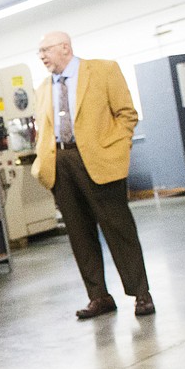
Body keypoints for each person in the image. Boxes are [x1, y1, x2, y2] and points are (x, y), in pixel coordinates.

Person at [32, 31, 154, 320]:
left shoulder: (103, 70)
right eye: (39, 52)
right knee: (78, 233)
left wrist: (117, 147)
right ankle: (98, 296)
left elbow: (127, 114)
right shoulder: (42, 88)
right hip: (61, 162)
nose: (42, 56)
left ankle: (141, 294)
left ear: (65, 47)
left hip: (100, 160)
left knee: (119, 228)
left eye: (45, 50)